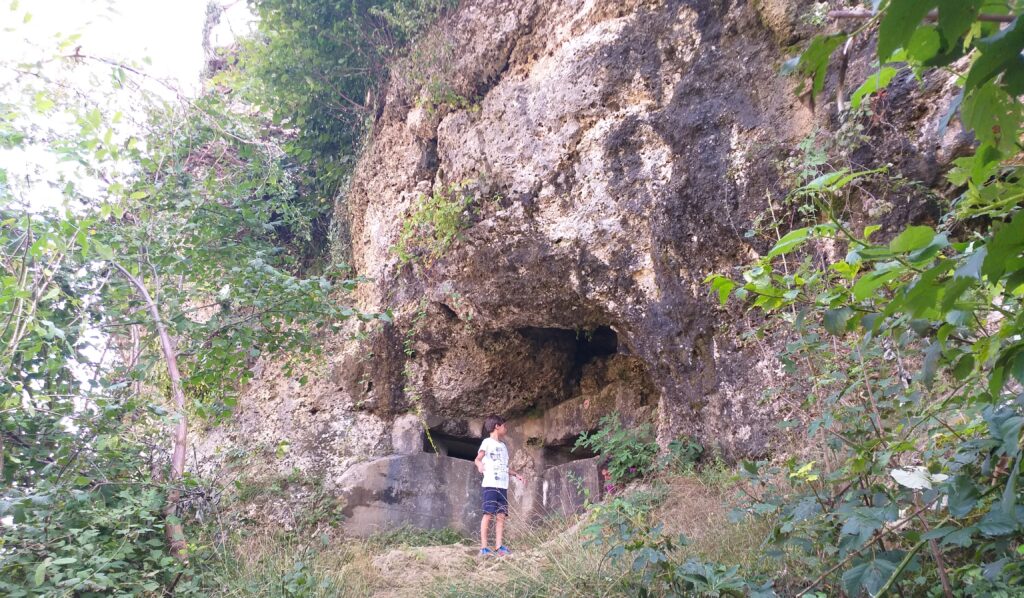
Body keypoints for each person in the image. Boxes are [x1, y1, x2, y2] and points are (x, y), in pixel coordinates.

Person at [475, 414, 525, 557]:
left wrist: (516, 474)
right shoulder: (487, 442)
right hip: (491, 484)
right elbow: (478, 459)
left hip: (502, 485)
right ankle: (484, 548)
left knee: (501, 515)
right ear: (497, 426)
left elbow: (504, 467)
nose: (506, 428)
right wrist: (479, 465)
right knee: (488, 514)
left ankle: (499, 547)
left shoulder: (503, 446)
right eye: (504, 425)